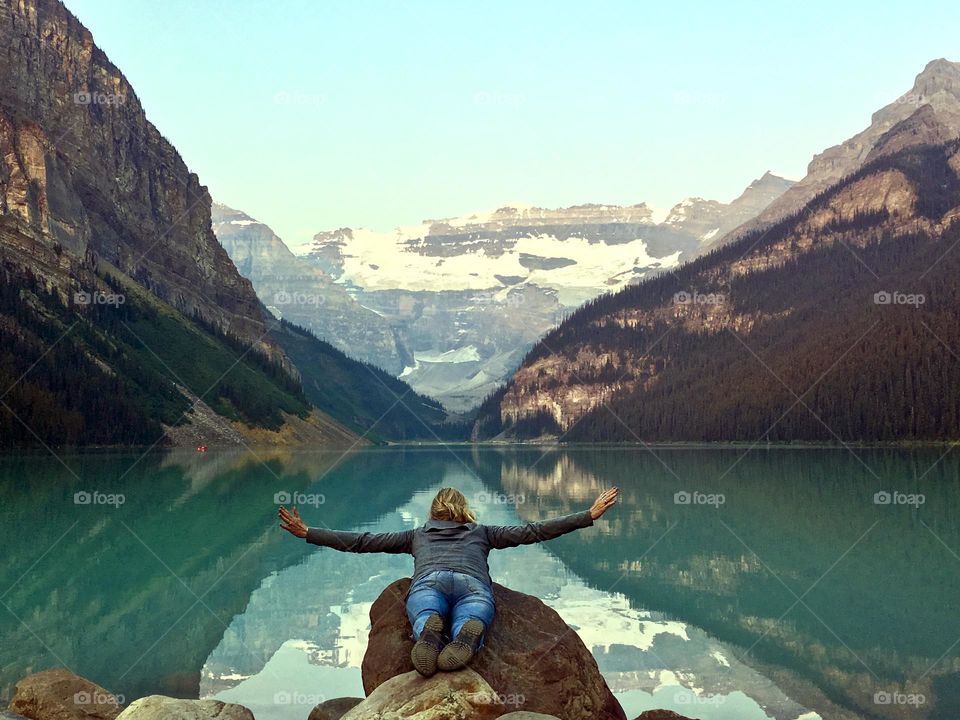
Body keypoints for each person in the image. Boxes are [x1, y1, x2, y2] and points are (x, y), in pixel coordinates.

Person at [278, 486, 619, 677]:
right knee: (477, 610)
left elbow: (363, 541)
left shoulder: (417, 535)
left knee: (424, 604)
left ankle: (428, 630)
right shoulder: (483, 532)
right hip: (472, 584)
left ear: (434, 511)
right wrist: (586, 515)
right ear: (463, 510)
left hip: (430, 581)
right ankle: (466, 633)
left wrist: (309, 533)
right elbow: (534, 531)